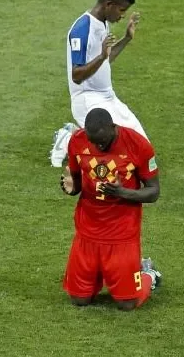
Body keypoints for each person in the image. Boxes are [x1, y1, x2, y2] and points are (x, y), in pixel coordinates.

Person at [59, 108, 162, 310]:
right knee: (79, 300)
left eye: (102, 141)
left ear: (113, 127)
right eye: (93, 141)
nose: (98, 145)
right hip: (88, 229)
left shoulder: (138, 145)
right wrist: (70, 188)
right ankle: (100, 274)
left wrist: (122, 192)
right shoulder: (77, 141)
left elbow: (153, 191)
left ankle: (148, 273)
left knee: (127, 303)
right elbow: (76, 183)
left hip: (121, 232)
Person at [49, 0, 148, 167]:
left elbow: (104, 61)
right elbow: (77, 76)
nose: (121, 17)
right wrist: (102, 56)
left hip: (108, 98)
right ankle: (69, 140)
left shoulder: (102, 23)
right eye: (121, 10)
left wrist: (126, 39)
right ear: (109, 5)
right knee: (123, 156)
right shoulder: (82, 29)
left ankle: (75, 135)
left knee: (142, 149)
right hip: (87, 100)